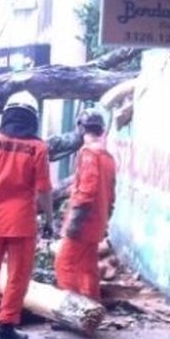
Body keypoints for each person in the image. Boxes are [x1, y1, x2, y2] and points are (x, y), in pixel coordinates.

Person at [0, 91, 54, 339]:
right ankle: (6, 329)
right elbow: (44, 190)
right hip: (22, 222)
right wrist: (49, 218)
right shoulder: (37, 148)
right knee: (18, 276)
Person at [54, 108, 116, 303]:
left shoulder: (88, 153)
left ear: (81, 128)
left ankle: (70, 312)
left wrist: (74, 223)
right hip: (97, 222)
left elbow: (87, 191)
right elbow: (111, 195)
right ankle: (91, 307)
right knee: (88, 267)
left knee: (65, 263)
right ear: (101, 129)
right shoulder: (107, 156)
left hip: (84, 222)